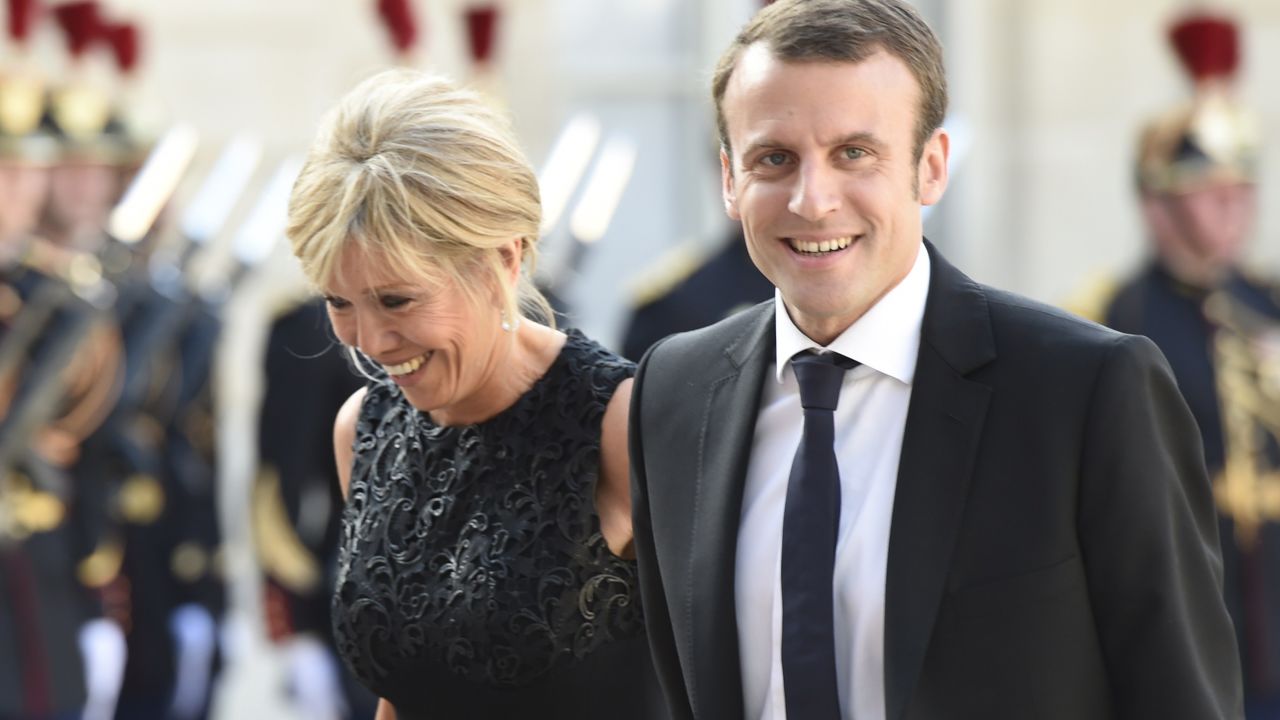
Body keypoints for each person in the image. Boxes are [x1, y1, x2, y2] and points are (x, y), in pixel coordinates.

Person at [628, 1, 1243, 719]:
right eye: (775, 159)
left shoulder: (1083, 391)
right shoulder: (672, 393)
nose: (813, 199)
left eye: (854, 153)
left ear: (931, 167)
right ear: (731, 180)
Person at [285, 69, 662, 720]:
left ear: (503, 261)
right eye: (339, 302)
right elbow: (402, 690)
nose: (369, 340)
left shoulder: (622, 423)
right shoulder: (364, 428)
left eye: (397, 299)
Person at [1094, 12, 1280, 719]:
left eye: (1243, 188)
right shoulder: (1110, 321)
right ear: (1156, 203)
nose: (1233, 208)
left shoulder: (1270, 304)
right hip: (1186, 623)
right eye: (1209, 190)